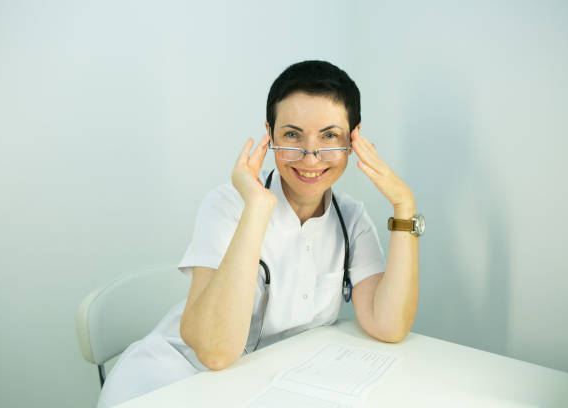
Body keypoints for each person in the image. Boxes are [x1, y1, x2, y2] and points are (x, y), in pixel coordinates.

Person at [97, 60, 420, 408]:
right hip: (174, 382)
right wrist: (257, 208)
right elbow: (215, 352)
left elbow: (388, 325)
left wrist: (404, 206)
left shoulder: (350, 217)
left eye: (329, 136)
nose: (310, 157)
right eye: (292, 135)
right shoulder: (228, 205)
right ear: (271, 136)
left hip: (263, 384)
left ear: (353, 141)